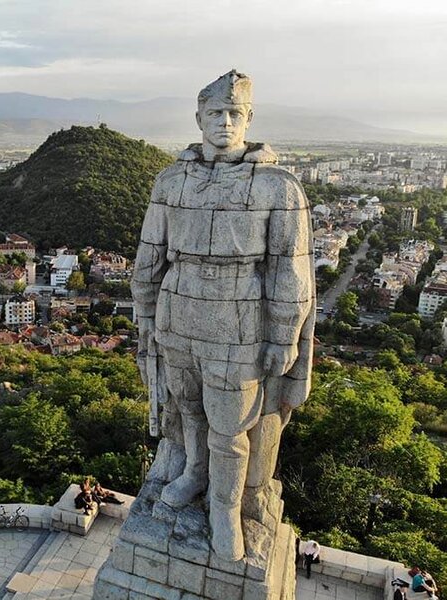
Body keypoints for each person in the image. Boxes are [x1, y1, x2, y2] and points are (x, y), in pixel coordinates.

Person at [132, 69, 315, 561]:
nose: (224, 122)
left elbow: (290, 270)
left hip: (241, 320)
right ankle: (193, 471)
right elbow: (151, 252)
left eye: (234, 113)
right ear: (198, 118)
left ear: (249, 118)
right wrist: (146, 312)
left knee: (232, 426)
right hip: (177, 307)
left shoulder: (278, 187)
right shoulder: (171, 180)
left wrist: (284, 335)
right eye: (214, 113)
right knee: (186, 406)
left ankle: (225, 508)